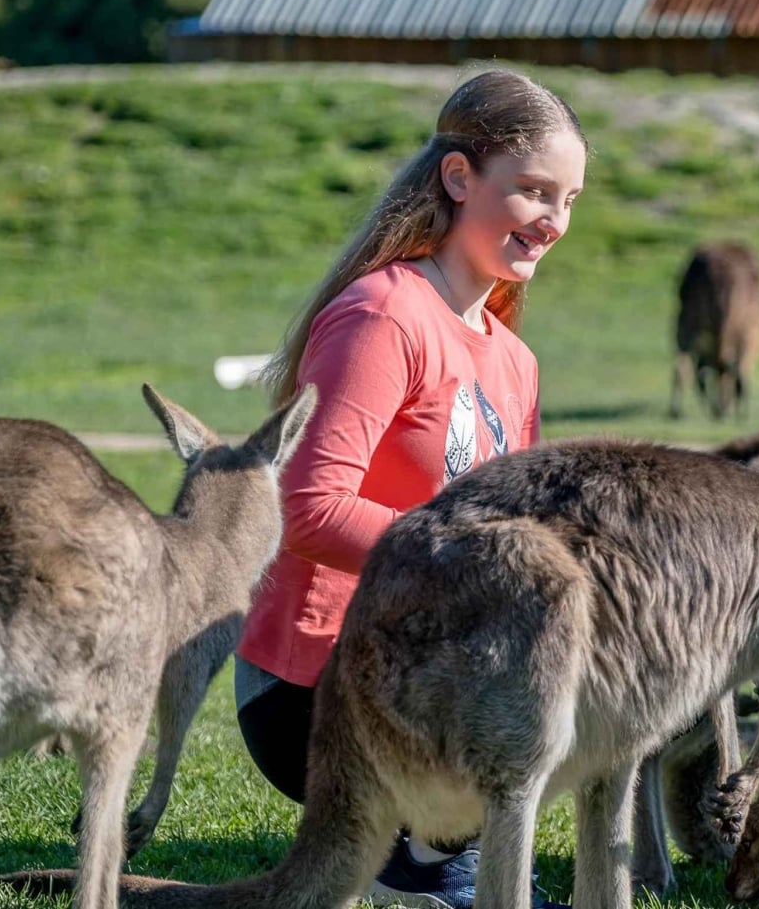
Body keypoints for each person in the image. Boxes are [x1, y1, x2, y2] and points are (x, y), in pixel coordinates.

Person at [234, 69, 586, 909]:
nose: (553, 221)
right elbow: (305, 507)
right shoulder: (382, 315)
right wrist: (469, 563)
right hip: (315, 681)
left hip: (435, 660)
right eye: (533, 191)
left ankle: (440, 852)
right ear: (459, 177)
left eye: (569, 199)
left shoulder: (515, 358)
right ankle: (430, 864)